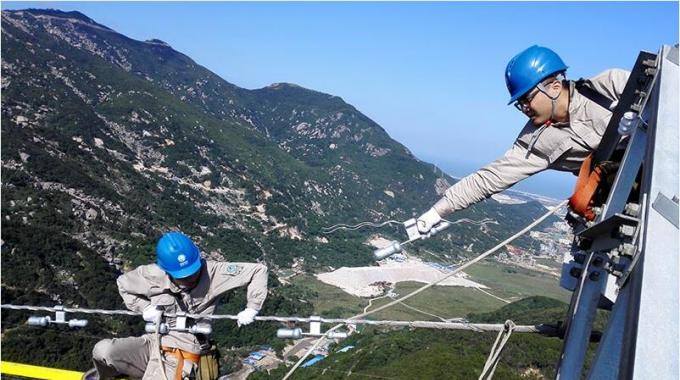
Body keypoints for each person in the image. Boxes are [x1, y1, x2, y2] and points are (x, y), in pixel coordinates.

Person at [416, 45, 630, 232]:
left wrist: (645, 119)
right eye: (520, 103)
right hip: (626, 194)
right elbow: (490, 178)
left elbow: (663, 94)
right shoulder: (536, 142)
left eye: (527, 99)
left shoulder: (610, 86)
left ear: (554, 87)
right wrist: (436, 212)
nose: (524, 108)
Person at [84, 231, 268, 380]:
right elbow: (123, 284)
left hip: (185, 349)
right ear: (165, 270)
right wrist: (144, 307)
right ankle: (117, 374)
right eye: (182, 276)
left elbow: (258, 271)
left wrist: (253, 307)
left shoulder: (214, 273)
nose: (189, 278)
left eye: (192, 272)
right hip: (153, 341)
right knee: (103, 350)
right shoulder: (152, 275)